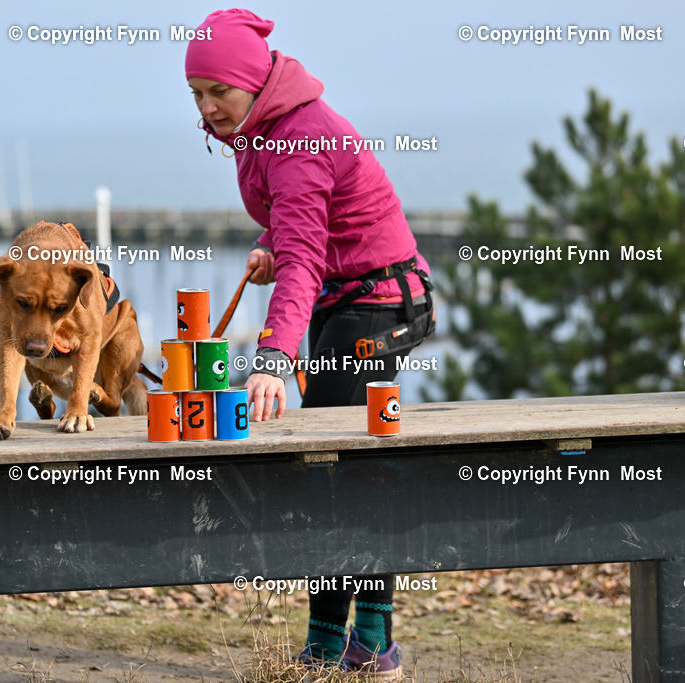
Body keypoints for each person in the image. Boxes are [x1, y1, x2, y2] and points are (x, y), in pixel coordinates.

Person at [185, 8, 435, 678]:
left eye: (219, 93)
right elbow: (306, 228)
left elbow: (304, 258)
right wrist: (273, 243)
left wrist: (272, 359)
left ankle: (361, 646)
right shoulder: (264, 122)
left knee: (334, 460)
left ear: (254, 81)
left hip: (380, 304)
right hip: (344, 294)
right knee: (350, 463)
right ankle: (343, 641)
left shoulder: (296, 136)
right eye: (197, 96)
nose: (209, 109)